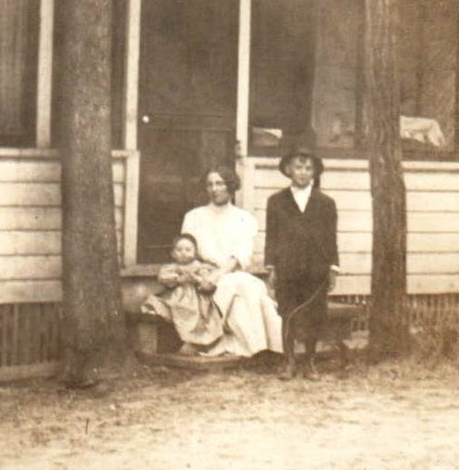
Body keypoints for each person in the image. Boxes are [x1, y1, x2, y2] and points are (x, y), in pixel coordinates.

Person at [181, 167, 283, 357]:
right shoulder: (194, 217)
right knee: (250, 288)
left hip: (230, 273)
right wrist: (205, 275)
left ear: (231, 186)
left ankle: (255, 348)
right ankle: (266, 348)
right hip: (203, 275)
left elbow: (241, 254)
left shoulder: (244, 218)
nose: (214, 189)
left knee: (243, 287)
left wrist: (219, 275)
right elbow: (188, 253)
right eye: (210, 184)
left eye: (220, 183)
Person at [265, 130, 340, 380]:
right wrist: (272, 268)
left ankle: (309, 361)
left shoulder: (325, 203)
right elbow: (272, 237)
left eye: (309, 168)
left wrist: (332, 268)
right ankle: (289, 361)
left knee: (314, 315)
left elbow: (331, 238)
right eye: (298, 167)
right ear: (288, 169)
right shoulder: (276, 201)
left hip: (315, 269)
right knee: (288, 313)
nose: (303, 172)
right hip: (287, 267)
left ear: (315, 172)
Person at [142, 232, 226, 353]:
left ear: (195, 252)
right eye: (179, 250)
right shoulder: (173, 267)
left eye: (188, 249)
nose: (183, 253)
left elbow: (208, 283)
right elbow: (164, 278)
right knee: (173, 307)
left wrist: (197, 279)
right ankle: (185, 341)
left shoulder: (200, 267)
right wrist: (179, 279)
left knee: (200, 315)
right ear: (173, 253)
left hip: (197, 298)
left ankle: (194, 343)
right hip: (177, 296)